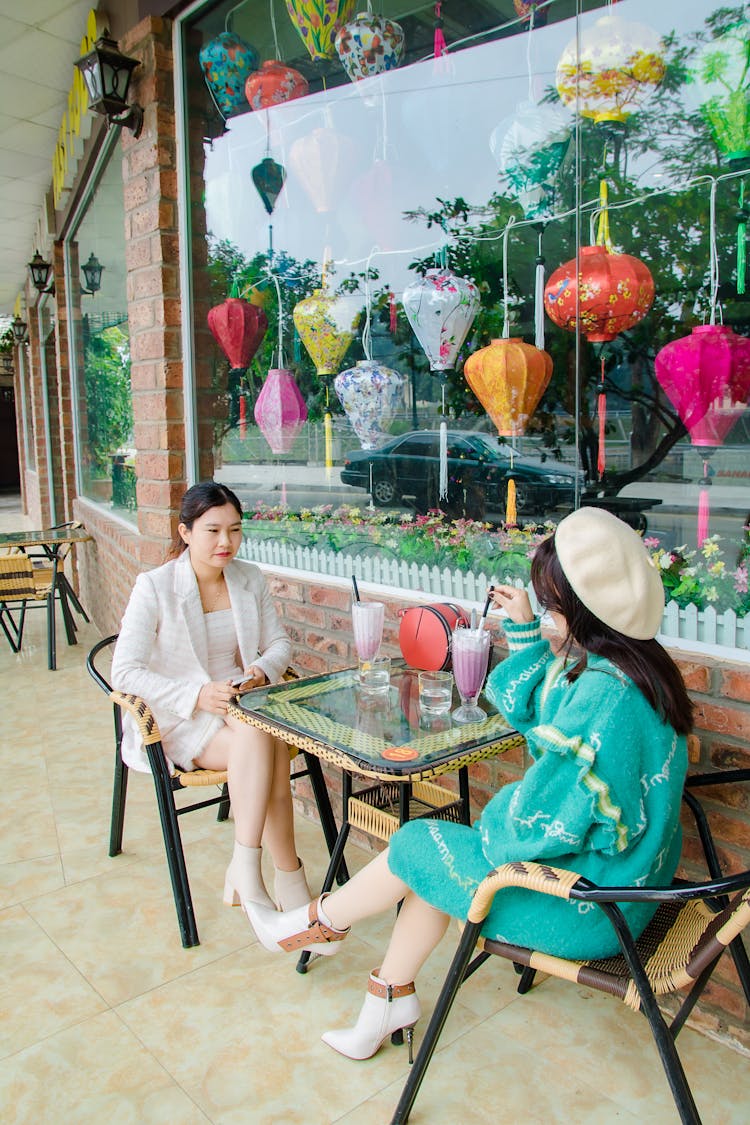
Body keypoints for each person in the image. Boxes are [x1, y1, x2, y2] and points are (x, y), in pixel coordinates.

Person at [242, 507, 694, 1063]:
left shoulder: (605, 695)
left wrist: (490, 826)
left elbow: (530, 825)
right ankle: (383, 996)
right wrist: (530, 633)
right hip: (631, 887)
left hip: (588, 907)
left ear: (582, 608)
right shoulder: (640, 670)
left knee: (415, 846)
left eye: (553, 605)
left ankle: (316, 924)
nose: (550, 614)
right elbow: (549, 720)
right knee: (433, 858)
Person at [111, 481, 311, 912]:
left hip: (239, 701)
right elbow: (124, 671)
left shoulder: (248, 577)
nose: (226, 542)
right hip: (181, 715)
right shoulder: (155, 586)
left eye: (235, 530)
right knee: (266, 744)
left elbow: (279, 645)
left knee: (263, 736)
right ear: (185, 532)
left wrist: (259, 670)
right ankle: (283, 872)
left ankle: (250, 867)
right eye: (213, 530)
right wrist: (198, 695)